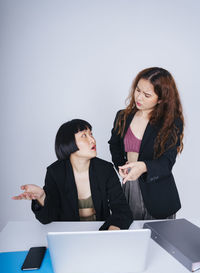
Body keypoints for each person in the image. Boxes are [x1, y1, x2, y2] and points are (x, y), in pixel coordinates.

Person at [12, 119, 133, 230]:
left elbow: (122, 210)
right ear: (69, 143)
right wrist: (41, 197)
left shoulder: (105, 169)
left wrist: (110, 232)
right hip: (68, 234)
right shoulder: (55, 172)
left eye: (91, 134)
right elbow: (47, 218)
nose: (92, 140)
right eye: (84, 136)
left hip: (100, 230)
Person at [108, 67, 184, 220]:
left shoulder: (171, 122)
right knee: (130, 238)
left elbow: (166, 162)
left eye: (147, 95)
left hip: (159, 194)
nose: (139, 98)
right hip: (129, 188)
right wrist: (121, 166)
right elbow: (114, 144)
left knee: (159, 242)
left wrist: (143, 167)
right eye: (137, 90)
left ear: (161, 99)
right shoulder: (123, 116)